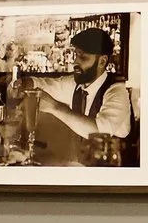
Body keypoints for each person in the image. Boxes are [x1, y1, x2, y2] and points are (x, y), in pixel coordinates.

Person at [17, 24, 136, 166]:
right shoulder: (76, 84)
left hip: (114, 175)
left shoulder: (117, 91)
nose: (75, 62)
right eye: (76, 55)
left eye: (83, 57)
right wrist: (20, 83)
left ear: (102, 61)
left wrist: (55, 107)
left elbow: (99, 133)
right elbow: (42, 83)